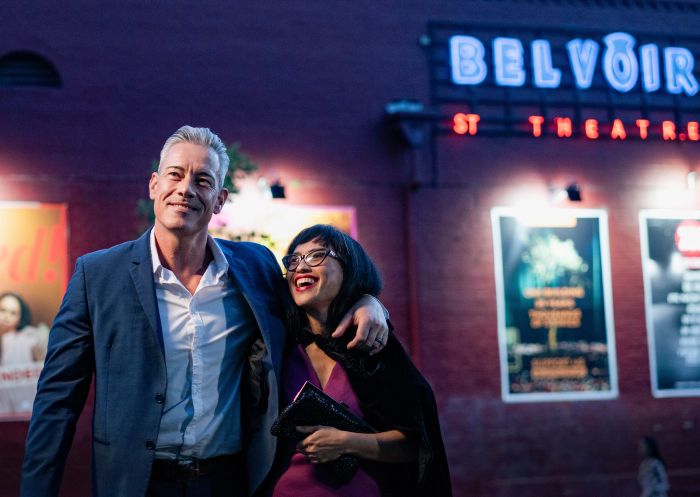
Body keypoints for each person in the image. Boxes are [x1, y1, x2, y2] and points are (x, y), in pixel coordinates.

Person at [21, 126, 389, 497]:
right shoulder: (97, 275)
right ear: (154, 185)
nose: (185, 189)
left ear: (219, 199)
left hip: (229, 481)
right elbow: (57, 400)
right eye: (175, 174)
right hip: (135, 483)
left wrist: (368, 301)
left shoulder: (255, 267)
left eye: (202, 180)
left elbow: (313, 303)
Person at [264, 224, 451, 497]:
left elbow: (418, 444)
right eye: (294, 259)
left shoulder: (372, 346)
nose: (301, 266)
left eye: (316, 255)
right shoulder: (276, 345)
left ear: (348, 269)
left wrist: (346, 442)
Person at [0, 292, 46, 365]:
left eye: (13, 313)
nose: (6, 316)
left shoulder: (29, 340)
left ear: (20, 318)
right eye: (2, 310)